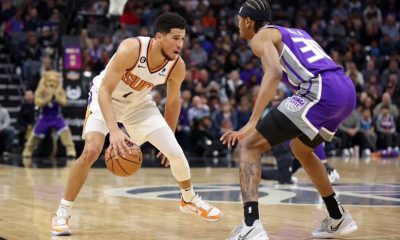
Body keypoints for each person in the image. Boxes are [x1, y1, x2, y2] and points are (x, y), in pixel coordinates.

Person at [51, 12, 222, 236]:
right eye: (176, 38)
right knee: (92, 151)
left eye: (183, 39)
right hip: (106, 98)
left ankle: (189, 199)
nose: (180, 44)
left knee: (176, 152)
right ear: (159, 37)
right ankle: (62, 213)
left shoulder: (177, 66)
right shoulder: (131, 49)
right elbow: (105, 91)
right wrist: (114, 131)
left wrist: (168, 136)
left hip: (139, 104)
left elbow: (173, 103)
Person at [221, 1, 358, 239]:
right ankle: (337, 216)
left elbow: (274, 73)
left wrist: (253, 121)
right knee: (301, 149)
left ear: (247, 21)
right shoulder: (294, 32)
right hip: (346, 90)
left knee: (250, 145)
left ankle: (251, 224)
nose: (238, 26)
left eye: (238, 21)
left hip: (320, 90)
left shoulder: (259, 38)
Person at [262, 143, 340, 184]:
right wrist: (327, 166)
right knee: (285, 178)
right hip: (282, 146)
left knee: (303, 156)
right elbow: (316, 143)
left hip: (286, 145)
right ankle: (256, 172)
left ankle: (288, 172)